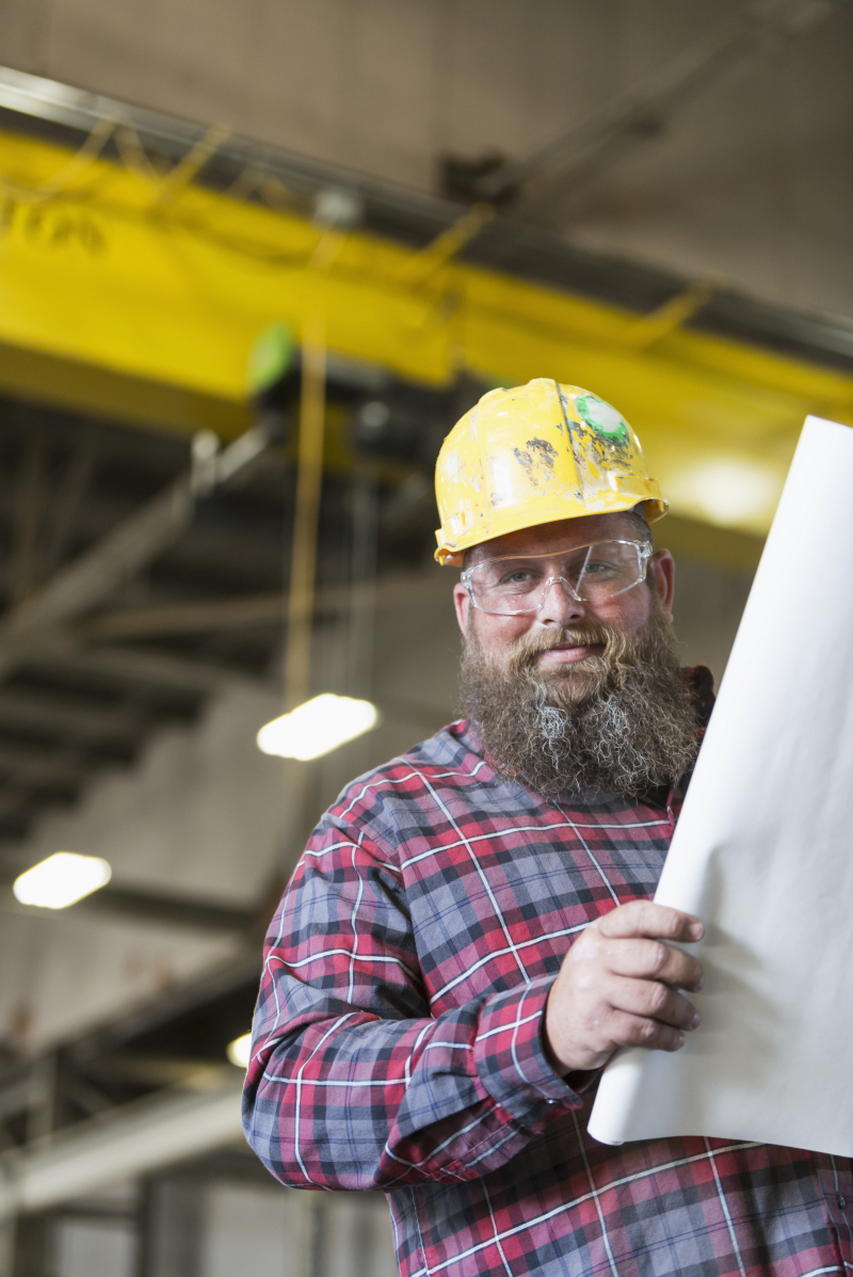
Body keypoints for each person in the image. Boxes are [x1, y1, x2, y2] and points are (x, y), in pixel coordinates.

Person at [244, 379, 852, 1277]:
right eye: (515, 578)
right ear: (468, 613)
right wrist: (542, 1036)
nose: (558, 608)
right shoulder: (390, 827)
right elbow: (293, 1106)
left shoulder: (810, 763)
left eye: (599, 565)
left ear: (660, 582)